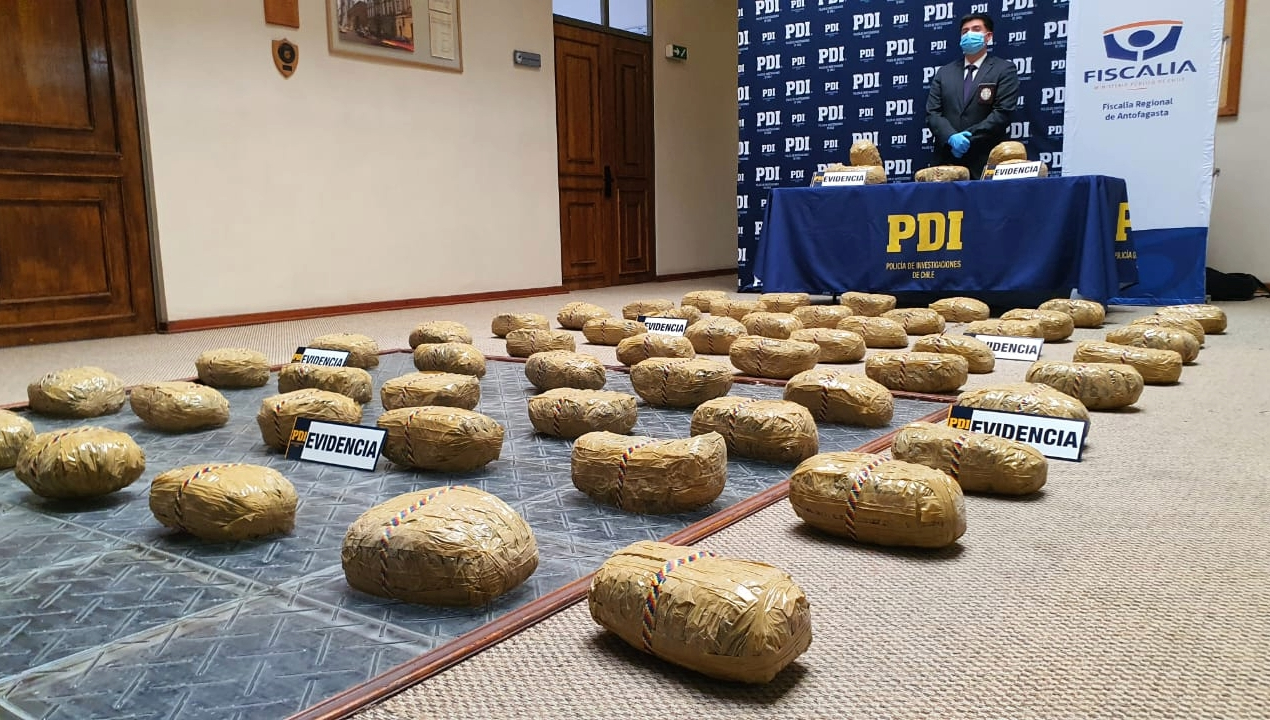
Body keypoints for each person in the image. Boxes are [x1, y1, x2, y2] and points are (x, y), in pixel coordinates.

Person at [925, 13, 1020, 180]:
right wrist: (951, 137)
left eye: (976, 29)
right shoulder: (944, 73)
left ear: (988, 36)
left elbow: (1002, 113)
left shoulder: (1004, 70)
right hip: (946, 162)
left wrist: (968, 137)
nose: (969, 34)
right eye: (965, 31)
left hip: (985, 160)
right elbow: (932, 113)